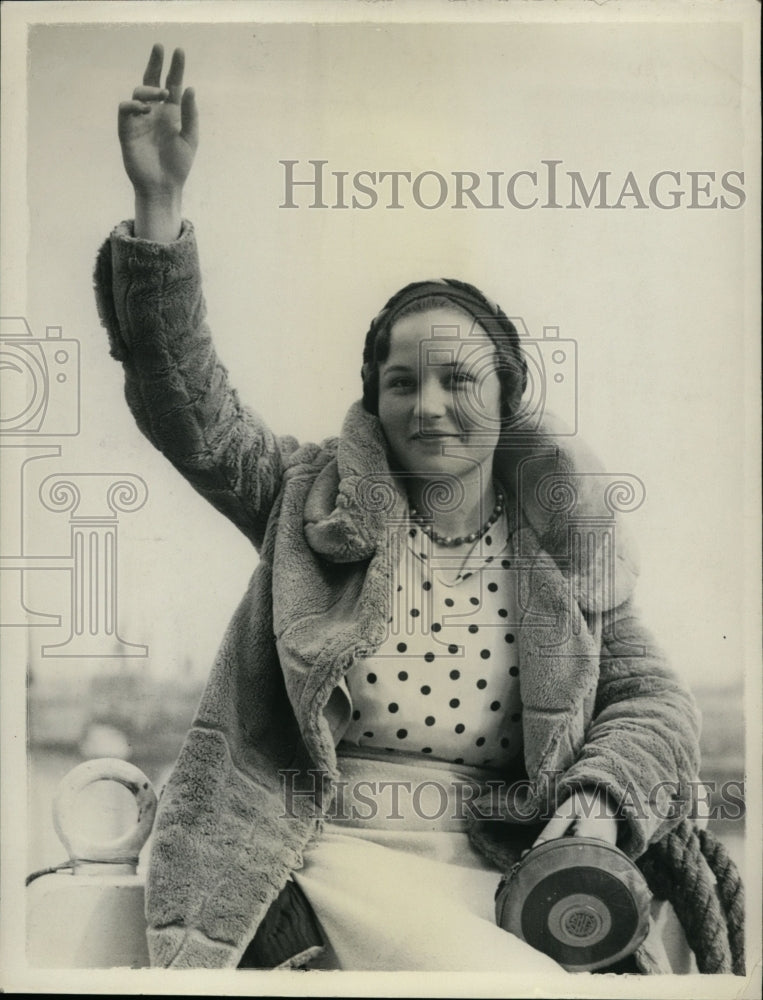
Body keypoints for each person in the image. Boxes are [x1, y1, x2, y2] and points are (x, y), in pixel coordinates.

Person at [93, 44, 702, 972]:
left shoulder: (562, 543)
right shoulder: (309, 496)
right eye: (400, 381)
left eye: (458, 379)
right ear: (372, 398)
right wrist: (159, 207)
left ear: (508, 396)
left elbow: (654, 703)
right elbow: (192, 411)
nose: (426, 406)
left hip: (492, 866)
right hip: (308, 851)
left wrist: (604, 794)